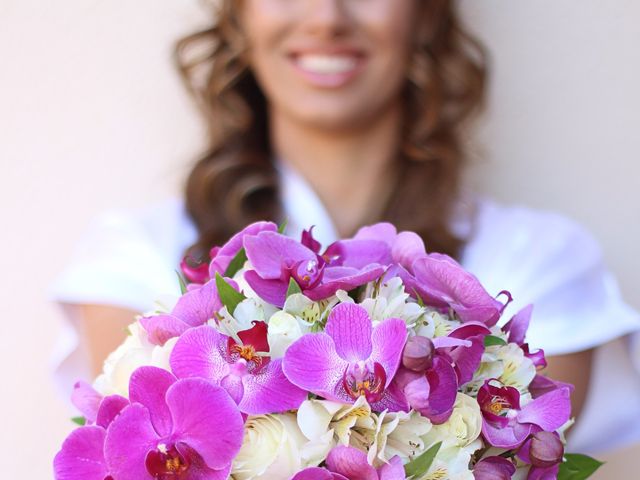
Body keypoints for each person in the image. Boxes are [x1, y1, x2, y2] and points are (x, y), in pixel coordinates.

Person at [51, 0, 640, 456]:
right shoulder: (133, 260)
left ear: (424, 15)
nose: (327, 17)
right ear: (239, 18)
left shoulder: (541, 262)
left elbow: (523, 452)